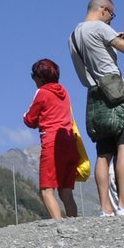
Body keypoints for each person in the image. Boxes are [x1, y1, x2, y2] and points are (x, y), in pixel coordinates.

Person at [69, 0, 124, 217]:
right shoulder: (100, 28)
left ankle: (105, 209)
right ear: (103, 10)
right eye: (111, 14)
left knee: (103, 152)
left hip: (94, 92)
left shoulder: (73, 35)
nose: (111, 20)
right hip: (116, 90)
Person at [23, 58, 79, 219]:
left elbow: (30, 120)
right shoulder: (64, 91)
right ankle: (74, 225)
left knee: (47, 190)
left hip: (53, 143)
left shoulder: (42, 93)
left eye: (34, 76)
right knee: (66, 191)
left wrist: (26, 116)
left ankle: (59, 226)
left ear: (40, 77)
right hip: (70, 142)